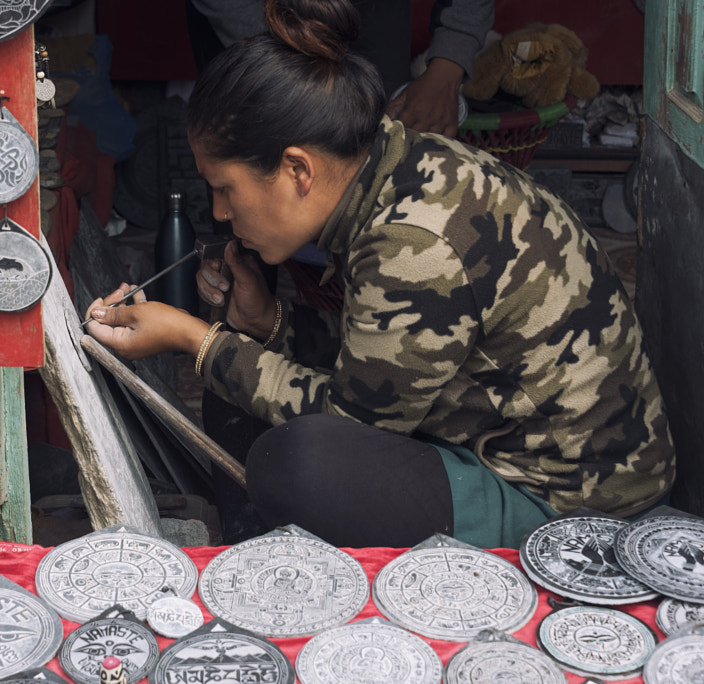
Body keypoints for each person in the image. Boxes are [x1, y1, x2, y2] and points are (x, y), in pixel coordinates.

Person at [87, 0, 675, 549]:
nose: (219, 213)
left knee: (301, 464)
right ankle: (268, 545)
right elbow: (381, 358)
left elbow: (354, 428)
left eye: (225, 189)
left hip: (571, 499)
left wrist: (193, 337)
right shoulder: (393, 161)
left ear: (297, 169)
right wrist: (270, 321)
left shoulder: (415, 242)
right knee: (239, 369)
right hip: (487, 425)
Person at [186, 0, 494, 137]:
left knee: (374, 159)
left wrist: (447, 70)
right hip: (249, 10)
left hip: (374, 11)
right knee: (254, 169)